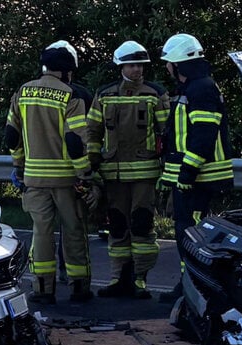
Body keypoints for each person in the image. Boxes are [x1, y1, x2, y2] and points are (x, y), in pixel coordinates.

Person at [5, 40, 95, 304]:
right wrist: (85, 175)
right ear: (67, 71)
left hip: (34, 178)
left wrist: (19, 167)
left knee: (41, 232)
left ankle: (43, 289)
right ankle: (79, 288)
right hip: (67, 180)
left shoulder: (22, 92)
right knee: (73, 231)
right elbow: (76, 141)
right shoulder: (71, 95)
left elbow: (12, 135)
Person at [88, 40, 169, 299]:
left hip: (145, 173)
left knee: (142, 224)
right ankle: (117, 278)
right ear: (121, 66)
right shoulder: (105, 94)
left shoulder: (155, 93)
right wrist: (91, 157)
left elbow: (167, 133)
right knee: (118, 226)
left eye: (140, 65)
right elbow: (93, 130)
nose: (137, 70)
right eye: (132, 65)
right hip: (113, 173)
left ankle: (139, 279)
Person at [158, 34, 234, 302]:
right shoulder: (193, 88)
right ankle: (188, 285)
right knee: (187, 232)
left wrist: (187, 172)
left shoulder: (200, 89)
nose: (167, 67)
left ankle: (195, 288)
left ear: (178, 64)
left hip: (200, 177)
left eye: (169, 62)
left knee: (193, 235)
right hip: (193, 176)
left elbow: (203, 134)